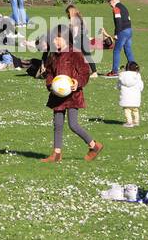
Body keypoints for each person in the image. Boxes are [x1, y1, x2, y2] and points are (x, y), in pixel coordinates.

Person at [41, 28, 103, 162]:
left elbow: (85, 73)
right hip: (57, 96)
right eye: (54, 39)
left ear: (66, 39)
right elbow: (49, 73)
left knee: (73, 124)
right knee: (57, 124)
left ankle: (94, 145)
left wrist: (77, 82)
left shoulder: (75, 53)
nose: (55, 41)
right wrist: (50, 85)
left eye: (58, 38)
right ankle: (56, 154)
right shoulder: (53, 56)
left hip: (73, 96)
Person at [105, 0, 134, 76]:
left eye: (110, 3)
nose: (110, 5)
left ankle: (114, 71)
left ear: (113, 0)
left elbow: (118, 21)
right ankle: (133, 69)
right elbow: (128, 19)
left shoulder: (116, 8)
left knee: (116, 51)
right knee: (128, 50)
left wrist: (116, 33)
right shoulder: (125, 7)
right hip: (129, 30)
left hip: (122, 31)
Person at [65, 4, 97, 73]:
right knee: (87, 56)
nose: (67, 15)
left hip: (78, 39)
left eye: (67, 13)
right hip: (84, 38)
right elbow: (86, 29)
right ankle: (92, 71)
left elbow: (75, 31)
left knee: (75, 55)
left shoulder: (74, 19)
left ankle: (79, 71)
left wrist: (73, 41)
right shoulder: (81, 18)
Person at [118, 60, 144, 127]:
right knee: (135, 110)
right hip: (135, 99)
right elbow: (141, 87)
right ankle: (136, 121)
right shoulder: (137, 76)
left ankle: (129, 122)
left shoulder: (122, 76)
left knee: (127, 111)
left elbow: (119, 86)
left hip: (126, 99)